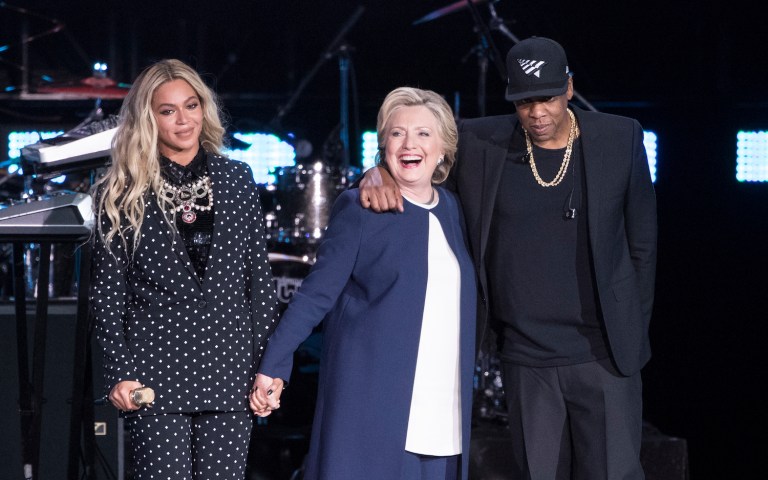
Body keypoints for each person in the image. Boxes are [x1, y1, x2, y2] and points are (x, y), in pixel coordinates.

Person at [359, 37, 657, 480]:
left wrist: (629, 330)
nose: (537, 112)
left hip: (604, 356)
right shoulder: (481, 143)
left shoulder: (620, 138)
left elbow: (642, 244)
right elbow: (416, 162)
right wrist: (376, 170)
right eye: (524, 101)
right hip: (526, 359)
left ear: (569, 88)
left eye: (547, 98)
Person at [250, 87, 477, 480]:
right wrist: (275, 363)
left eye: (424, 133)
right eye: (397, 133)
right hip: (373, 401)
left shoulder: (455, 209)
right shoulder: (361, 207)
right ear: (383, 145)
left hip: (443, 405)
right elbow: (314, 295)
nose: (410, 144)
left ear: (443, 148)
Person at [90, 59, 277, 480]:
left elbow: (259, 284)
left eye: (191, 105)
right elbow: (107, 297)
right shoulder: (120, 190)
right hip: (155, 375)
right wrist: (120, 374)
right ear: (148, 118)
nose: (183, 120)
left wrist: (271, 367)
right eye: (168, 110)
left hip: (230, 371)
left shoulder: (237, 178)